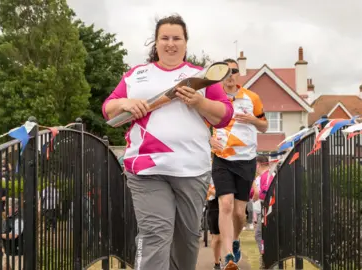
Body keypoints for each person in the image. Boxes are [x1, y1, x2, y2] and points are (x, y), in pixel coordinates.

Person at [102, 14, 233, 270]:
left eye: (177, 38)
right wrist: (125, 103)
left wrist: (199, 102)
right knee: (155, 234)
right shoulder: (136, 75)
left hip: (191, 169)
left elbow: (224, 116)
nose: (170, 43)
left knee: (187, 240)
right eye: (165, 38)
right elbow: (108, 108)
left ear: (186, 42)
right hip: (146, 169)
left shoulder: (201, 76)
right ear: (156, 42)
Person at [210, 58, 268, 269]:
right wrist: (209, 139)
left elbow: (264, 126)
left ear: (238, 74)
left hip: (246, 160)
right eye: (225, 72)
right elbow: (201, 124)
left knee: (238, 213)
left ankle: (234, 240)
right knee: (225, 205)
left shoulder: (252, 97)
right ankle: (227, 257)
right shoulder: (214, 98)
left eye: (233, 71)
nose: (230, 75)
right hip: (222, 158)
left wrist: (252, 119)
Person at [250, 155, 274, 269]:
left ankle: (266, 259)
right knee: (261, 235)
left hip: (266, 211)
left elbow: (266, 193)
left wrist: (256, 195)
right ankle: (265, 259)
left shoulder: (268, 176)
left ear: (258, 164)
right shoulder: (261, 177)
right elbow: (252, 192)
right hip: (262, 211)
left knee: (260, 235)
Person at [206, 178, 222, 270]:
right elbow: (209, 190)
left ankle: (219, 257)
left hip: (225, 204)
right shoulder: (209, 171)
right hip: (214, 205)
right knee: (217, 238)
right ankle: (217, 264)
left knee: (221, 237)